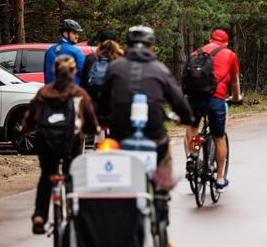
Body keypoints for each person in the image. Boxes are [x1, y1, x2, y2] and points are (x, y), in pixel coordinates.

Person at [98, 26, 195, 186]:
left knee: (111, 162)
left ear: (127, 45)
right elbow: (177, 99)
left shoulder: (115, 68)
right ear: (151, 46)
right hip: (153, 132)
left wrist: (103, 117)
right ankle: (162, 194)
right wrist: (187, 117)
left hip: (121, 132)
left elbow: (102, 101)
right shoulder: (160, 69)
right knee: (164, 151)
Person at [22, 55, 99, 234]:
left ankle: (40, 215)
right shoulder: (79, 93)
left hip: (46, 142)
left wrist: (25, 129)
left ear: (53, 71)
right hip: (71, 143)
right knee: (72, 175)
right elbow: (91, 121)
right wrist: (91, 130)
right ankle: (75, 213)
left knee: (47, 176)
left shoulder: (43, 93)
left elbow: (30, 118)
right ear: (73, 72)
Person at [183, 29, 242, 192]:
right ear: (227, 42)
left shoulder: (197, 52)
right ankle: (220, 178)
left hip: (194, 98)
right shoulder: (230, 54)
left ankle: (192, 156)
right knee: (219, 137)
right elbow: (235, 81)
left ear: (210, 39)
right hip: (216, 99)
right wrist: (236, 98)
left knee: (192, 128)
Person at [81, 30, 123, 112]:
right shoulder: (120, 60)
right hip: (113, 107)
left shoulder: (90, 58)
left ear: (99, 43)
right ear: (115, 44)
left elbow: (83, 83)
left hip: (93, 106)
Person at [44, 19, 87, 86]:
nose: (77, 36)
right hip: (70, 93)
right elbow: (85, 73)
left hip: (51, 92)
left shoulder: (49, 50)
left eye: (77, 34)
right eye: (74, 33)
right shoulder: (75, 51)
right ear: (66, 34)